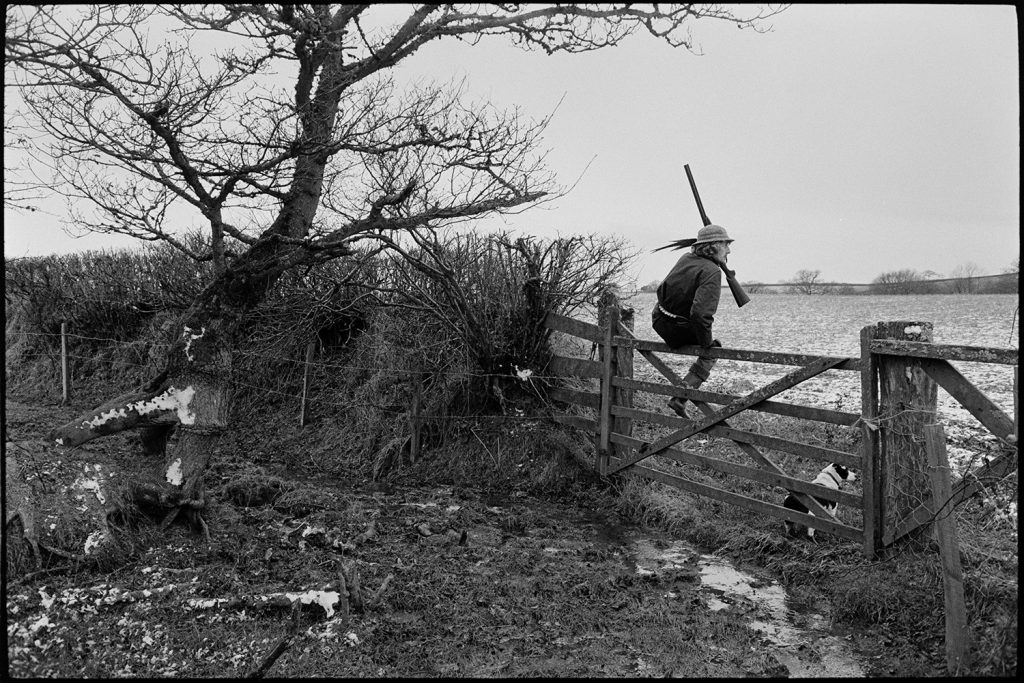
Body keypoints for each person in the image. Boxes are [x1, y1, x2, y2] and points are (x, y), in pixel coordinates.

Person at [652, 224, 733, 418]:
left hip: (659, 321)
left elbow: (664, 289)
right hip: (678, 330)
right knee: (714, 350)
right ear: (714, 246)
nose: (729, 250)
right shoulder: (713, 271)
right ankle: (680, 398)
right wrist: (707, 345)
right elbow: (701, 315)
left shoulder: (685, 258)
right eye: (726, 245)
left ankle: (680, 397)